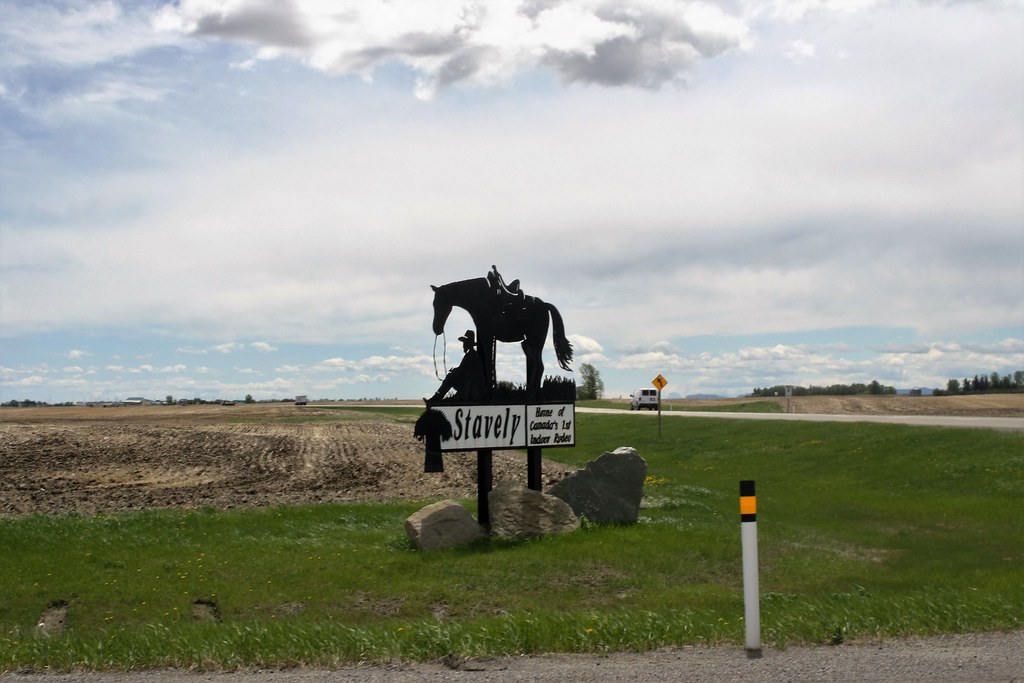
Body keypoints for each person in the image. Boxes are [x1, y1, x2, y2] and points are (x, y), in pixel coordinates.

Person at [425, 330, 486, 405]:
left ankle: (436, 398)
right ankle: (436, 398)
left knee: (450, 377)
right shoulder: (471, 355)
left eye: (465, 343)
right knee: (451, 376)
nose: (463, 345)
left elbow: (463, 371)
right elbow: (462, 369)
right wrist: (455, 370)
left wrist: (454, 371)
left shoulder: (471, 356)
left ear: (468, 343)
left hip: (470, 386)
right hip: (469, 383)